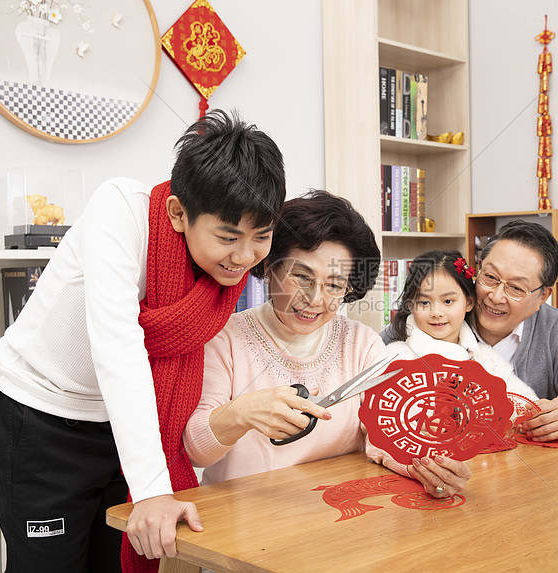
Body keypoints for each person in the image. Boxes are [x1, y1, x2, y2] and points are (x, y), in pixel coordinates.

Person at [0, 109, 286, 573]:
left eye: (260, 237)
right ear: (178, 213)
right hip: (39, 418)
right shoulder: (119, 209)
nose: (245, 257)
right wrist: (153, 490)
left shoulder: (221, 273)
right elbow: (119, 348)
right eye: (228, 237)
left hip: (120, 428)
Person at [182, 190, 471, 498]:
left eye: (334, 285)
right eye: (302, 277)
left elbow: (384, 437)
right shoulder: (223, 337)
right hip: (240, 520)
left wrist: (430, 469)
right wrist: (241, 413)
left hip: (333, 516)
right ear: (268, 267)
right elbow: (194, 450)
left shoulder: (362, 344)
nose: (315, 299)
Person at [382, 220, 558, 441]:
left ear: (543, 296)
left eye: (516, 288)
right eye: (490, 278)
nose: (495, 296)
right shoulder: (433, 319)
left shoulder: (556, 330)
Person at [386, 249, 539, 404]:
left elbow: (525, 402)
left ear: (469, 303)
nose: (436, 313)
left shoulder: (484, 357)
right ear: (411, 306)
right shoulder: (396, 357)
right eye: (424, 303)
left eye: (448, 301)